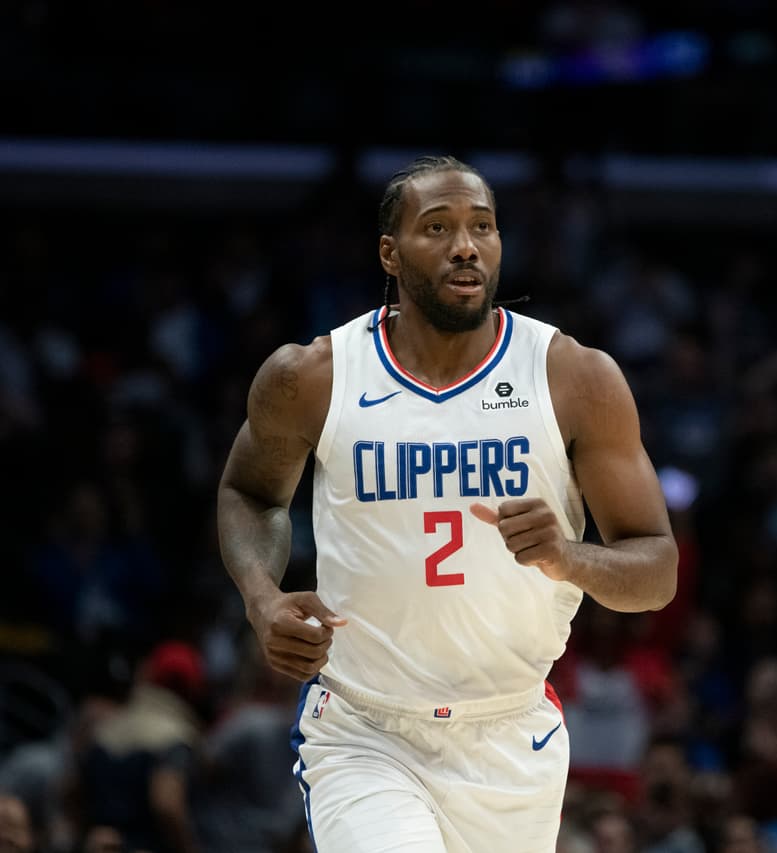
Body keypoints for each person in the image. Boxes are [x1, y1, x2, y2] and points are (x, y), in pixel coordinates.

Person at [216, 153, 678, 852]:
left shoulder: (574, 378)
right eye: (437, 227)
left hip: (511, 732)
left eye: (482, 226)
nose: (466, 245)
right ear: (390, 253)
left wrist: (567, 556)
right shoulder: (312, 375)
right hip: (365, 729)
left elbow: (656, 571)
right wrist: (261, 597)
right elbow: (249, 491)